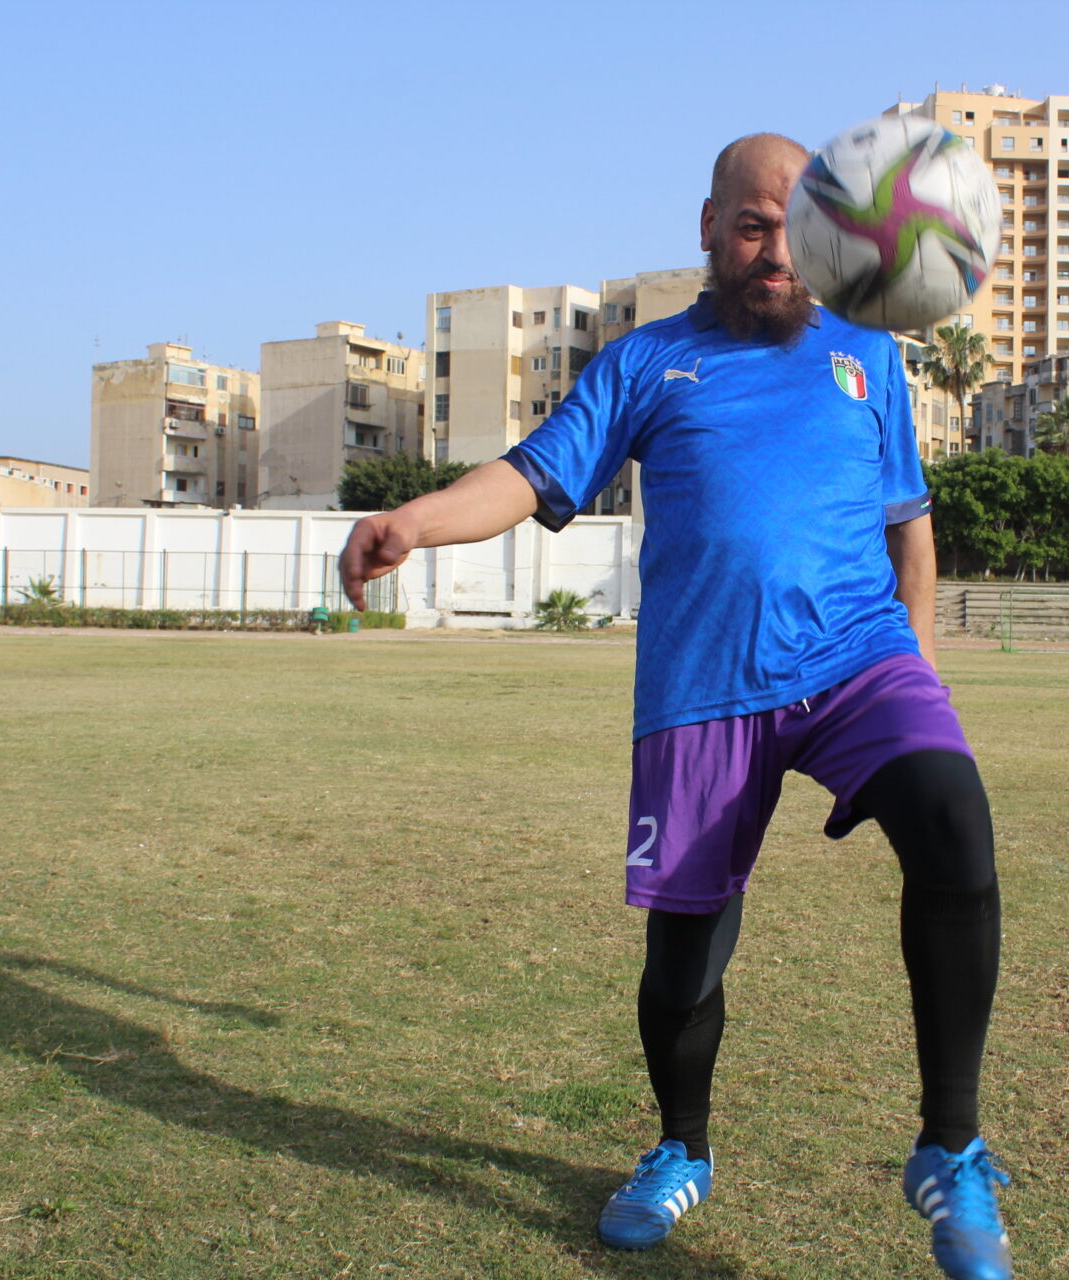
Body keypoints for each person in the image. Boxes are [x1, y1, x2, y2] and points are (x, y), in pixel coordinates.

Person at [339, 134, 1011, 1280]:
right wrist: (416, 519)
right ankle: (680, 1146)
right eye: (753, 227)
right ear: (709, 228)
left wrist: (924, 673)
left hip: (860, 659)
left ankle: (951, 1147)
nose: (777, 253)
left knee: (954, 813)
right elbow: (527, 475)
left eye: (797, 229)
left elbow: (911, 526)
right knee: (684, 960)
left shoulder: (867, 354)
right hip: (705, 688)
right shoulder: (647, 363)